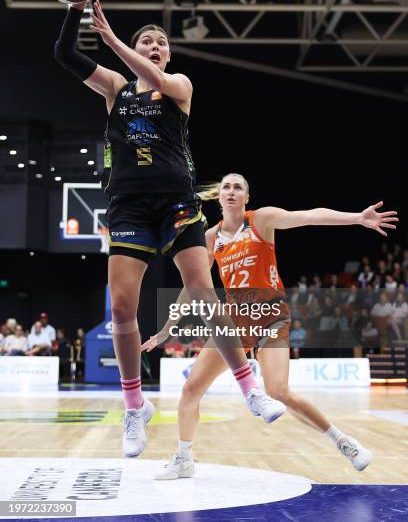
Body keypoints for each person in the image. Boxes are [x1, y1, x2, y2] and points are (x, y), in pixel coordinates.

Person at [54, 2, 281, 457]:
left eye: (161, 43)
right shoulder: (116, 88)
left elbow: (156, 80)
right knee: (121, 308)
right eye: (147, 41)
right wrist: (74, 8)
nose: (154, 47)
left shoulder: (179, 85)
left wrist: (114, 40)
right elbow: (64, 53)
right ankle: (135, 407)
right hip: (130, 207)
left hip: (177, 201)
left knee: (201, 289)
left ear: (168, 55)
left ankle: (249, 386)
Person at [143, 173, 398, 479]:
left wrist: (358, 217)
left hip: (271, 316)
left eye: (239, 187)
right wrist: (168, 326)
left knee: (278, 391)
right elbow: (192, 285)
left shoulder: (261, 220)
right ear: (219, 196)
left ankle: (343, 441)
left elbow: (310, 216)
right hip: (234, 323)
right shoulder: (210, 237)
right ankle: (183, 457)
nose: (232, 191)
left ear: (246, 197)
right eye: (227, 186)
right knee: (191, 388)